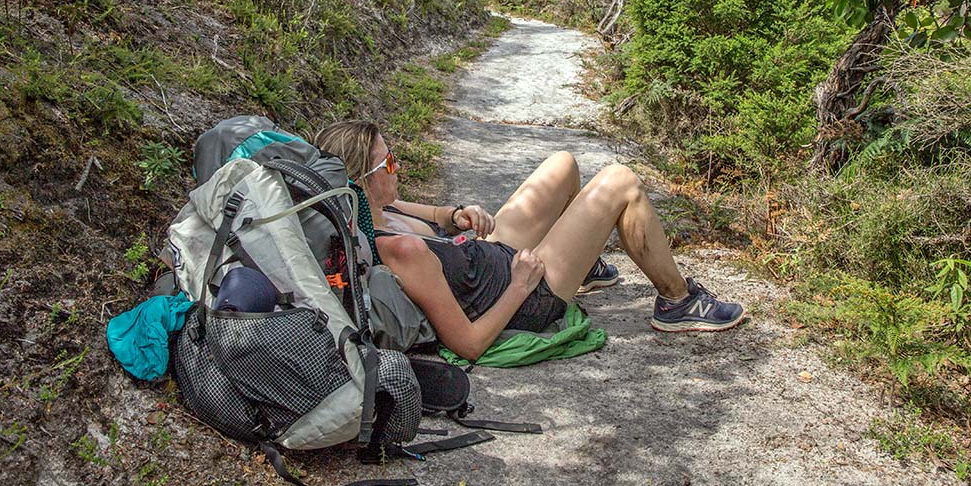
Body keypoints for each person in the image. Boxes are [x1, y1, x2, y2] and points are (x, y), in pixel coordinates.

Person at [315, 121, 746, 362]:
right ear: (365, 180)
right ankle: (678, 302)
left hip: (487, 256)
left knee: (563, 164)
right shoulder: (397, 250)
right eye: (388, 161)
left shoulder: (376, 214)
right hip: (524, 293)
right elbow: (467, 343)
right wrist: (521, 284)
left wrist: (457, 215)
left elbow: (436, 217)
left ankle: (585, 260)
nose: (397, 166)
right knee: (621, 182)